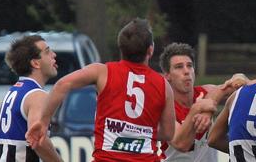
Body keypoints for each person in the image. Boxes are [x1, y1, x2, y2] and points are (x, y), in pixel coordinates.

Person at [26, 18, 176, 161]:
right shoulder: (164, 86)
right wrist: (140, 131)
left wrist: (44, 122)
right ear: (150, 50)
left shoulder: (103, 72)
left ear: (121, 48)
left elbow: (61, 85)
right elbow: (169, 133)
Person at [158, 42, 250, 162]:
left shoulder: (207, 91)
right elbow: (180, 143)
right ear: (167, 75)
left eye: (189, 66)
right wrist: (197, 109)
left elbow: (238, 85)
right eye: (179, 67)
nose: (186, 71)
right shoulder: (163, 107)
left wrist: (240, 77)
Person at [0, 35, 63, 162]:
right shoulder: (37, 96)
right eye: (47, 52)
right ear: (35, 63)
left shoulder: (15, 89)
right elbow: (39, 142)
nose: (54, 54)